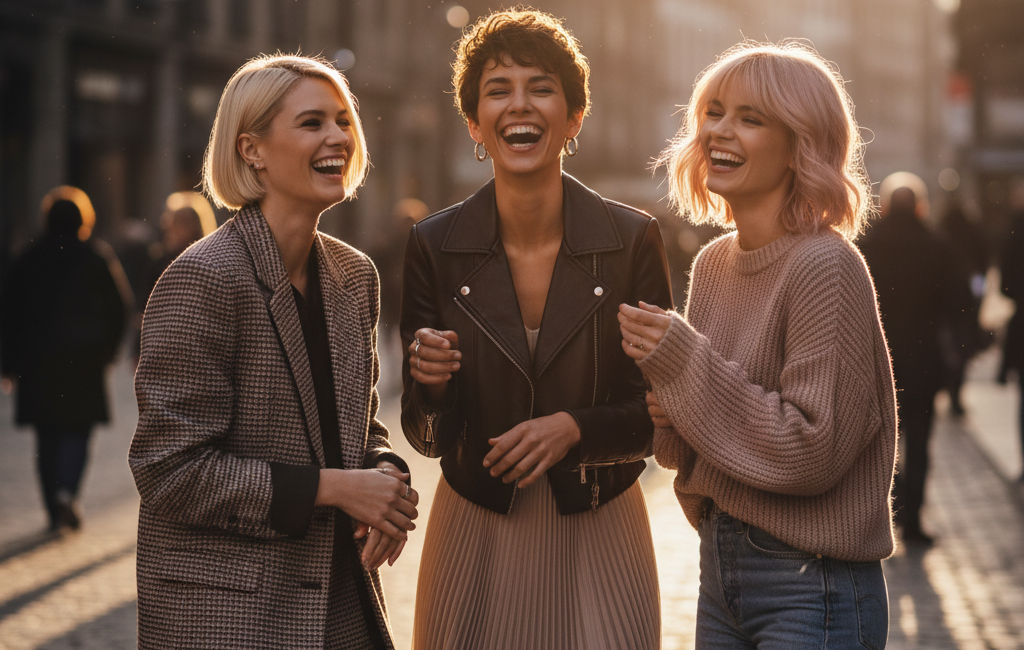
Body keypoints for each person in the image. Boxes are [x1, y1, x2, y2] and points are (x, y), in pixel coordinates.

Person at [400, 9, 672, 649]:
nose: (519, 104)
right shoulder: (432, 246)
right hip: (475, 531)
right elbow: (427, 438)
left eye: (540, 87)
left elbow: (660, 416)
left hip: (602, 525)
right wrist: (432, 388)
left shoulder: (633, 240)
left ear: (573, 118)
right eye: (498, 89)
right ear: (475, 123)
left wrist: (575, 429)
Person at [128, 54, 418, 650]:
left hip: (339, 603)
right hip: (227, 615)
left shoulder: (355, 275)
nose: (338, 137)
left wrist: (385, 475)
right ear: (252, 149)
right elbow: (168, 471)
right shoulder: (202, 278)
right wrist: (335, 489)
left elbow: (358, 428)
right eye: (312, 123)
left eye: (343, 120)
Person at [619, 41, 897, 647]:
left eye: (750, 118)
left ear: (801, 146)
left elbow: (812, 450)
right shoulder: (714, 263)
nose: (720, 131)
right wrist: (668, 404)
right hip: (721, 568)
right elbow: (690, 448)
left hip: (811, 583)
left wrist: (685, 366)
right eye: (714, 112)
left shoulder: (825, 266)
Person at [0, 189, 130, 531]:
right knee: (78, 431)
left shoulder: (28, 258)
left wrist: (9, 364)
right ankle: (67, 492)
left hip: (37, 361)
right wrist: (109, 351)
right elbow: (119, 308)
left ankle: (52, 508)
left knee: (46, 436)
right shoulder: (96, 257)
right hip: (84, 360)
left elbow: (9, 314)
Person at [859, 172, 966, 544]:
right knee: (919, 443)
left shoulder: (866, 247)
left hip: (875, 364)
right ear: (920, 207)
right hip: (923, 360)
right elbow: (959, 302)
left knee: (879, 446)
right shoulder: (937, 246)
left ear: (885, 207)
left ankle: (893, 506)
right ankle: (914, 519)